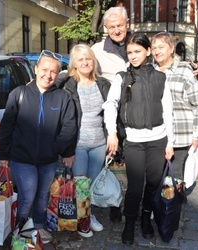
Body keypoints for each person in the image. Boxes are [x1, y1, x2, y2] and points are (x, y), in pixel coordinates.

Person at [0, 50, 78, 245]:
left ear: (58, 73)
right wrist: (3, 154)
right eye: (44, 69)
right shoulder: (19, 93)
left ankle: (39, 228)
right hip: (21, 157)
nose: (48, 75)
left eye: (53, 71)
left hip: (48, 159)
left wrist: (57, 148)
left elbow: (69, 126)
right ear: (35, 69)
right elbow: (6, 126)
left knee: (43, 194)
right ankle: (22, 229)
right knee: (28, 194)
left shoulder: (62, 97)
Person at [103, 34, 175, 245]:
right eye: (130, 52)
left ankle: (145, 219)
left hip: (158, 139)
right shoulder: (122, 77)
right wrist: (112, 131)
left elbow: (168, 110)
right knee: (135, 186)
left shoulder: (161, 77)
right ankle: (129, 223)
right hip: (133, 141)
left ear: (147, 51)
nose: (133, 56)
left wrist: (170, 142)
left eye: (137, 51)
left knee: (153, 184)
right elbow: (110, 104)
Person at [57, 44, 111, 237]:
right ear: (74, 63)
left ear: (93, 61)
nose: (85, 62)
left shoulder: (104, 84)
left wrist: (112, 137)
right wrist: (66, 150)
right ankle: (82, 220)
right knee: (81, 185)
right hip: (77, 145)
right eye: (80, 59)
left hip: (98, 143)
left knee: (93, 184)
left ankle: (89, 215)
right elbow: (61, 118)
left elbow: (111, 114)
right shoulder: (67, 84)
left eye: (88, 58)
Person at [151, 32, 198, 194]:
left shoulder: (183, 71)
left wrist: (196, 135)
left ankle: (170, 210)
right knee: (157, 174)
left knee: (174, 176)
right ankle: (159, 206)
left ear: (171, 48)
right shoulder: (150, 70)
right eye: (154, 48)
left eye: (161, 47)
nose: (157, 51)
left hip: (180, 133)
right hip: (157, 133)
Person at [91, 6, 130, 223]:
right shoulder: (97, 50)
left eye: (120, 26)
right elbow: (80, 69)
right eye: (112, 26)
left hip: (135, 114)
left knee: (131, 162)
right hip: (111, 116)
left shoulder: (137, 45)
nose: (116, 30)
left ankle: (127, 198)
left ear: (127, 24)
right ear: (106, 28)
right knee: (113, 158)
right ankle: (115, 202)